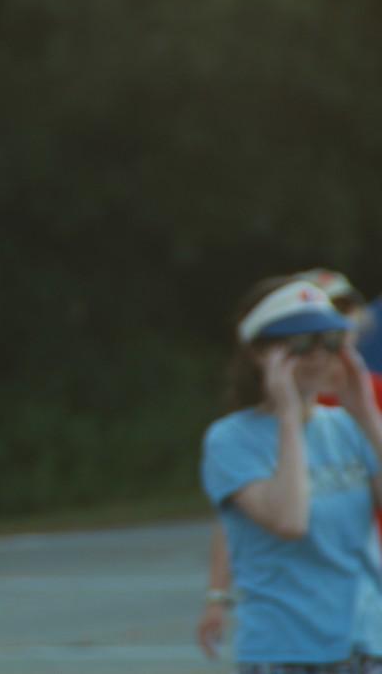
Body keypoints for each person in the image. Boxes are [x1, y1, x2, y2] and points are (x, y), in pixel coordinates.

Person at [197, 269, 382, 660]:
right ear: (260, 353)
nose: (318, 355)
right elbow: (289, 521)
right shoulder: (230, 439)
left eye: (329, 341)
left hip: (365, 641)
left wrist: (367, 416)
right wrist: (287, 416)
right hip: (286, 648)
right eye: (301, 343)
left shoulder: (349, 427)